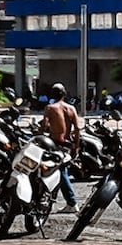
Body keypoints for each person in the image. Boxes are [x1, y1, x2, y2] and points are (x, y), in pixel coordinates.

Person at [41, 82, 81, 214]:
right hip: (68, 144)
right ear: (64, 94)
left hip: (56, 144)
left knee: (60, 172)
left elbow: (44, 126)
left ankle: (72, 202)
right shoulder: (71, 108)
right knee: (60, 171)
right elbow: (77, 129)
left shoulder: (50, 108)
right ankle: (61, 200)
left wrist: (40, 133)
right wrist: (76, 146)